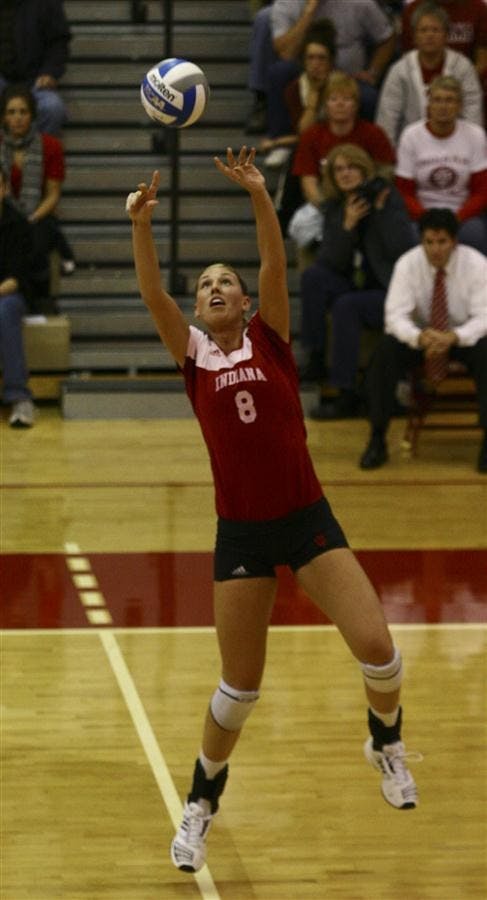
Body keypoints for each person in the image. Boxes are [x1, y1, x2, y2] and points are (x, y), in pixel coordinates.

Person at [127, 146, 420, 874]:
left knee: (380, 651)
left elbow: (274, 265)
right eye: (206, 284)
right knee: (238, 688)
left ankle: (384, 741)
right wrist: (140, 226)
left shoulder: (270, 339)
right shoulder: (193, 356)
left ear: (247, 302)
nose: (217, 286)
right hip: (243, 535)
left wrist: (261, 195)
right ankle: (199, 803)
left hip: (306, 518)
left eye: (227, 280)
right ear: (198, 308)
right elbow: (153, 298)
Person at [359, 207, 487, 473]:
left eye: (442, 242)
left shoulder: (476, 264)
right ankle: (377, 438)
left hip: (462, 338)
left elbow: (484, 316)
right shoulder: (407, 264)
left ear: (454, 241)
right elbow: (394, 317)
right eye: (429, 242)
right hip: (422, 338)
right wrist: (419, 336)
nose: (435, 249)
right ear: (422, 241)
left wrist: (454, 336)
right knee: (385, 350)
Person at [300, 143, 415, 406]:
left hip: (386, 290)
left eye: (352, 167)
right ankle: (315, 357)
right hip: (352, 282)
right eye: (339, 169)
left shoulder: (388, 198)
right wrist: (348, 226)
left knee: (346, 306)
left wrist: (381, 213)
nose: (345, 173)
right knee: (313, 276)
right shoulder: (335, 206)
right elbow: (330, 261)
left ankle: (345, 392)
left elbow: (402, 250)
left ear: (365, 170)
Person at [246, 0, 396, 134]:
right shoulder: (287, 4)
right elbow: (286, 53)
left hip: (347, 78)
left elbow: (387, 38)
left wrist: (373, 71)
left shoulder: (361, 4)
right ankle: (280, 139)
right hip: (305, 73)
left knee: (369, 97)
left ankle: (363, 147)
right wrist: (309, 12)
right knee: (279, 72)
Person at [0, 84, 75, 305]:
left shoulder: (51, 146)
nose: (18, 118)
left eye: (23, 112)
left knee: (36, 236)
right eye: (11, 112)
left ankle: (35, 297)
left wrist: (31, 218)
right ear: (4, 117)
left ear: (32, 115)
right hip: (4, 216)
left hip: (37, 215)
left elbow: (53, 194)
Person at [395, 75, 487, 255]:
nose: (443, 106)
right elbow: (403, 191)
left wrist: (456, 218)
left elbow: (482, 190)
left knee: (475, 234)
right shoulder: (411, 135)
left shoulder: (475, 134)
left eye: (449, 100)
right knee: (412, 236)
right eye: (437, 100)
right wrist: (426, 218)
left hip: (463, 215)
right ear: (428, 104)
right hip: (421, 215)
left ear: (459, 106)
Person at [376, 1, 484, 147]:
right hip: (411, 149)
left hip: (458, 149)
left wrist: (469, 151)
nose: (429, 35)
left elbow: (473, 117)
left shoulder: (463, 68)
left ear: (446, 35)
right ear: (414, 36)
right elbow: (387, 119)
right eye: (424, 30)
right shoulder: (399, 71)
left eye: (435, 30)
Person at [293, 72, 396, 210]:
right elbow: (309, 181)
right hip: (326, 203)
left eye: (346, 99)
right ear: (325, 105)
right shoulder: (311, 136)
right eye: (333, 99)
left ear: (356, 104)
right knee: (301, 222)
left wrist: (365, 201)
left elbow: (386, 173)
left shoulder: (374, 133)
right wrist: (326, 208)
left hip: (367, 202)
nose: (340, 104)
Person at [260, 18, 336, 169]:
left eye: (321, 58)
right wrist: (314, 93)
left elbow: (328, 134)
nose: (316, 64)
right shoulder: (294, 89)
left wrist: (277, 142)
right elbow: (305, 134)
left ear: (331, 61)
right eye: (311, 58)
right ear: (303, 61)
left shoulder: (342, 87)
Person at [0, 0, 71, 137]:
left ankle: (36, 155)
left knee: (53, 108)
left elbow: (59, 41)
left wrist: (50, 72)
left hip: (34, 79)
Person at [0, 165, 35, 427]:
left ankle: (19, 397)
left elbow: (16, 279)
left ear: (4, 189)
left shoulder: (17, 224)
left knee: (5, 310)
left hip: (8, 295)